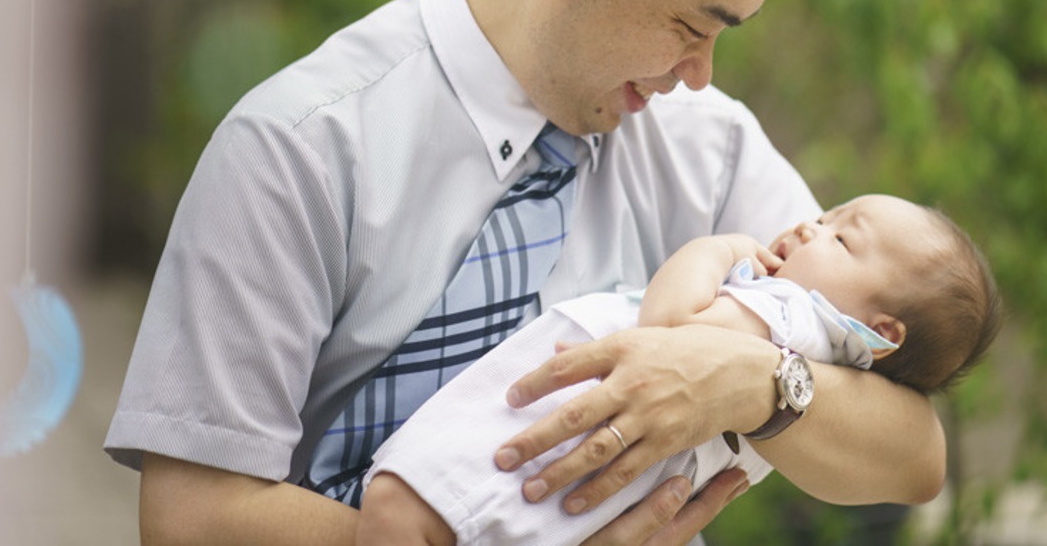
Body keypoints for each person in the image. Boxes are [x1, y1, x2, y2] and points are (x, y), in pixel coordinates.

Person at [105, 0, 949, 544]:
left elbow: (913, 455)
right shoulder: (299, 149)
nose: (701, 72)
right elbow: (193, 519)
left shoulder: (706, 145)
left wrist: (751, 380)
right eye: (693, 26)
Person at [355, 195, 1002, 546]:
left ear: (881, 334)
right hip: (589, 487)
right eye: (828, 214)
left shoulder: (794, 318)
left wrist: (711, 249)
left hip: (555, 440)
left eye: (841, 236)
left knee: (399, 510)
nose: (809, 224)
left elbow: (670, 336)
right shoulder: (813, 355)